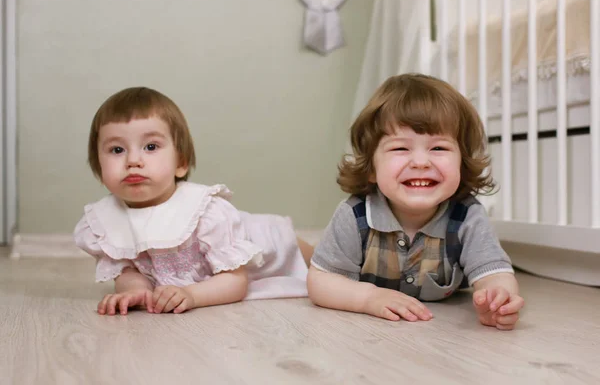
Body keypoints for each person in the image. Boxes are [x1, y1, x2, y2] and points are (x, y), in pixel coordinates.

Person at [307, 73, 525, 330]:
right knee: (313, 258)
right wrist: (368, 297)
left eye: (438, 149)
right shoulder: (355, 215)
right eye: (401, 149)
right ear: (371, 168)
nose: (421, 162)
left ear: (462, 164)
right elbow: (320, 281)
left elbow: (494, 272)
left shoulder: (467, 215)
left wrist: (498, 299)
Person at [74, 87, 314, 315]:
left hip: (270, 243)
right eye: (117, 150)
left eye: (150, 146)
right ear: (99, 168)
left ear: (181, 163)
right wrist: (136, 291)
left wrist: (192, 295)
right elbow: (128, 271)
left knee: (324, 263)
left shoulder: (208, 213)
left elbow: (235, 281)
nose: (133, 160)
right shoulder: (106, 222)